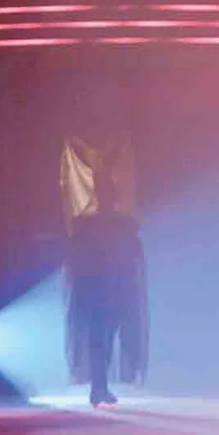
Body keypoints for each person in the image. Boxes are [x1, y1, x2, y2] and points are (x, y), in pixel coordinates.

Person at [64, 174, 146, 408]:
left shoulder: (121, 225)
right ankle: (98, 386)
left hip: (112, 288)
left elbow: (133, 256)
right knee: (100, 336)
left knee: (105, 336)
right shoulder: (89, 225)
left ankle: (100, 386)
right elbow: (76, 257)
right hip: (98, 288)